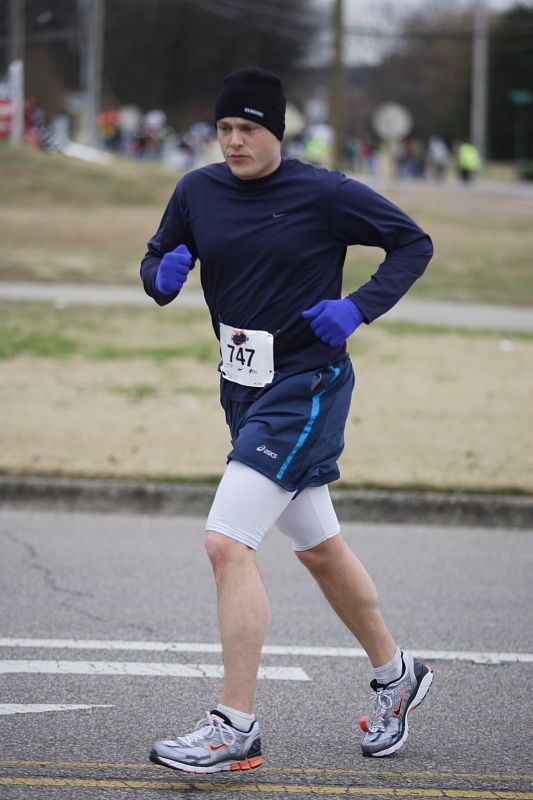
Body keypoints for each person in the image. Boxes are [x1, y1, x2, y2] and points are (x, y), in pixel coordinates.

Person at [141, 67, 434, 774]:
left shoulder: (323, 193)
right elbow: (156, 260)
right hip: (242, 389)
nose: (234, 141)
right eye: (224, 129)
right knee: (318, 548)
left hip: (305, 386)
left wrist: (356, 308)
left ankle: (235, 724)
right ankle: (399, 674)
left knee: (225, 542)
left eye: (248, 128)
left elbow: (412, 243)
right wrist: (162, 275)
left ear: (276, 130)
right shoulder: (197, 190)